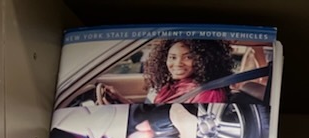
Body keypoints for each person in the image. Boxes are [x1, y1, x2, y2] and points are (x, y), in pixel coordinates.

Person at [98, 38, 235, 105]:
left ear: (204, 60)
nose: (177, 64)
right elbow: (153, 114)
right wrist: (119, 99)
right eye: (173, 57)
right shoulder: (172, 86)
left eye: (188, 57)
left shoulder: (208, 93)